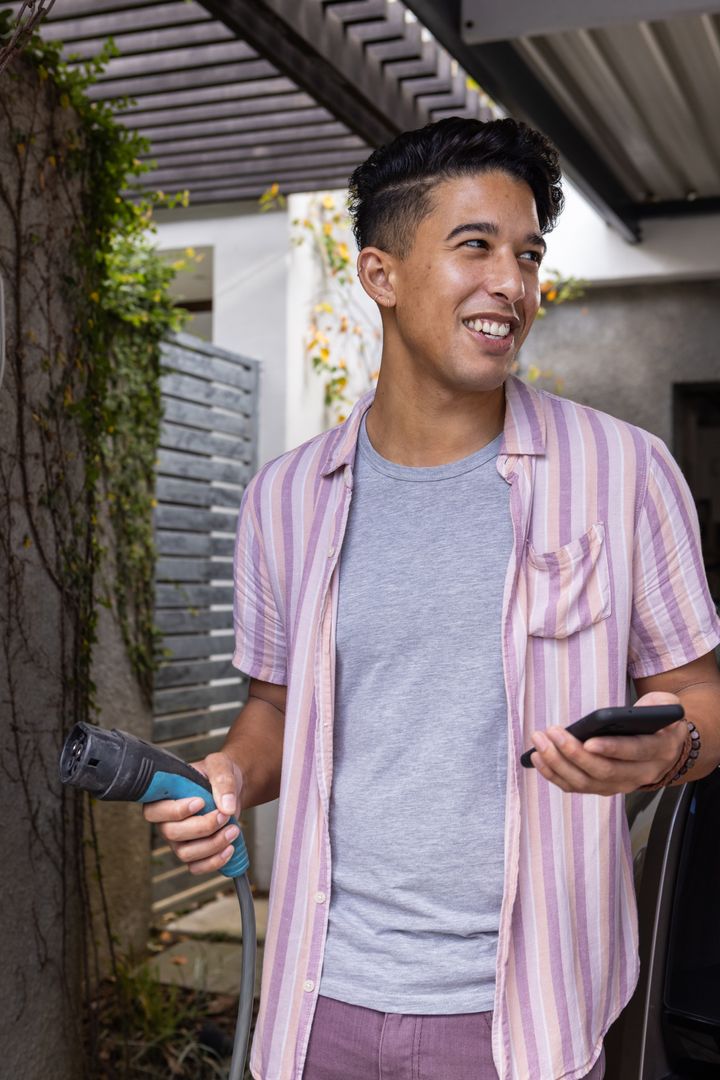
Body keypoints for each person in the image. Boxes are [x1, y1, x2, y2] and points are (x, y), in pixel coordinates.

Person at [144, 117, 720, 1080]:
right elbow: (276, 710)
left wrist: (675, 748)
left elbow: (702, 697)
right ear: (381, 275)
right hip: (318, 1003)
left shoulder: (625, 473)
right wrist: (233, 777)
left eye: (528, 253)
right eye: (476, 247)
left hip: (528, 1016)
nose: (513, 283)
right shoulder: (284, 499)